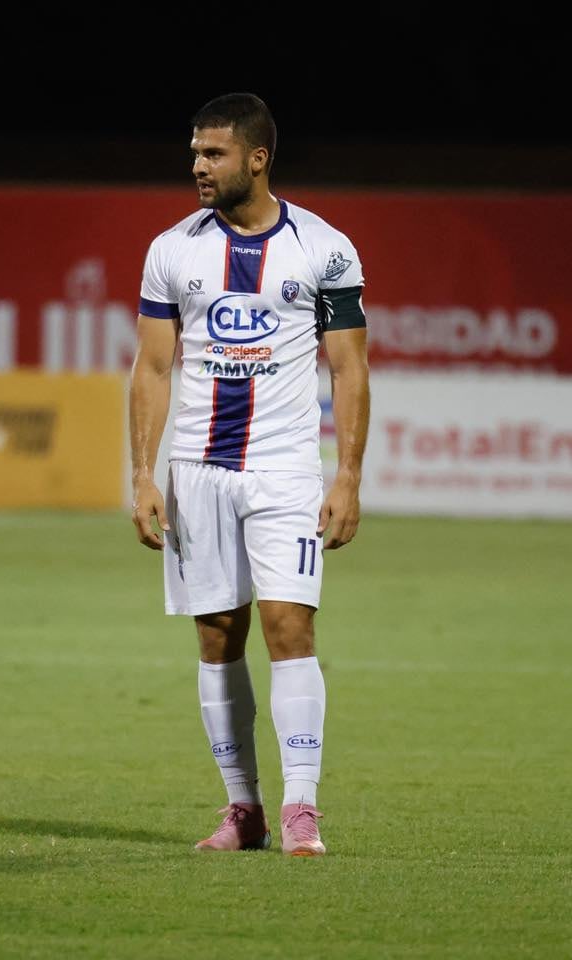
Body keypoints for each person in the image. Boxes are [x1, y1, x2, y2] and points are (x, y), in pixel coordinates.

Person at [127, 92, 370, 856]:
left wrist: (349, 477)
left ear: (258, 159)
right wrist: (141, 474)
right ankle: (245, 810)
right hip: (197, 471)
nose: (197, 166)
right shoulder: (172, 249)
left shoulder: (324, 248)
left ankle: (302, 810)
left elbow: (350, 369)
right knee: (216, 638)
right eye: (195, 152)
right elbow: (152, 368)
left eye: (214, 154)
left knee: (289, 627)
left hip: (285, 470)